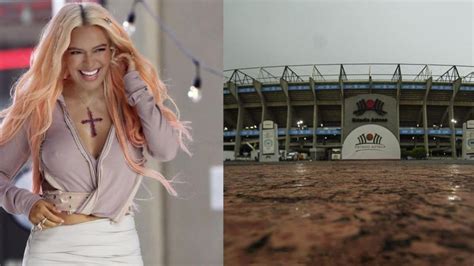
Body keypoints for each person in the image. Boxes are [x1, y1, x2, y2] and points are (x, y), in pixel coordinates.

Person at [0, 2, 191, 265]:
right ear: (61, 54)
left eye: (99, 50)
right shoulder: (40, 106)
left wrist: (136, 86)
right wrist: (25, 202)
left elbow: (166, 149)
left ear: (113, 50)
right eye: (76, 52)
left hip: (119, 248)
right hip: (55, 250)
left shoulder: (131, 102)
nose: (89, 62)